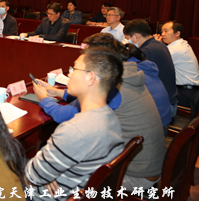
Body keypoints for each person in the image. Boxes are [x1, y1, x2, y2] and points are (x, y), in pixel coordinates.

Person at [25, 47, 124, 201]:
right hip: (76, 192)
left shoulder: (75, 129)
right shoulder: (111, 118)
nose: (70, 74)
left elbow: (33, 176)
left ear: (91, 78)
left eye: (75, 69)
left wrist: (44, 170)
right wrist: (48, 167)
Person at [34, 33, 171, 129]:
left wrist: (44, 98)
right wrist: (57, 92)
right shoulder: (134, 66)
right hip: (157, 130)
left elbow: (62, 115)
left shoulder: (113, 81)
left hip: (134, 154)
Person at [124, 19, 178, 116]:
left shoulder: (146, 51)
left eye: (128, 38)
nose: (128, 42)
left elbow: (134, 80)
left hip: (162, 107)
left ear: (137, 36)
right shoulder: (158, 44)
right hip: (169, 102)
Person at [155, 21, 199, 109]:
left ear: (177, 33)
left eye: (166, 31)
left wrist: (156, 44)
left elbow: (154, 65)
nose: (162, 34)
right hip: (189, 91)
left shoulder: (176, 49)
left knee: (151, 94)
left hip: (185, 93)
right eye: (162, 31)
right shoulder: (181, 45)